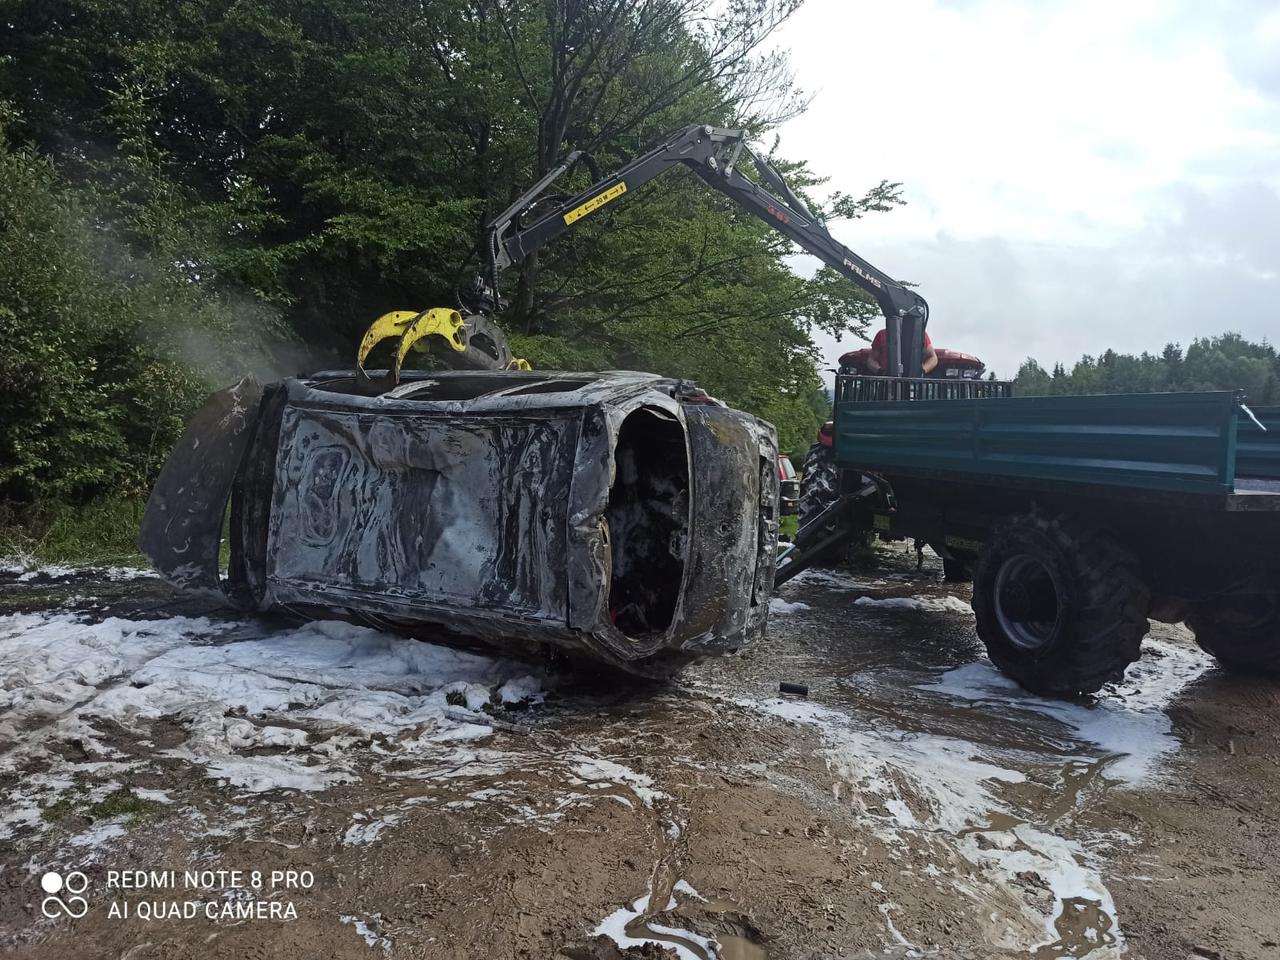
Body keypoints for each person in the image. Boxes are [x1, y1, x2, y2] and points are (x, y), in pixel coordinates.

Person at [866, 326, 938, 375]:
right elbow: (871, 360)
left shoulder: (920, 334)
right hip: (886, 381)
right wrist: (880, 371)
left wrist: (922, 371)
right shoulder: (882, 334)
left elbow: (933, 357)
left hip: (913, 381)